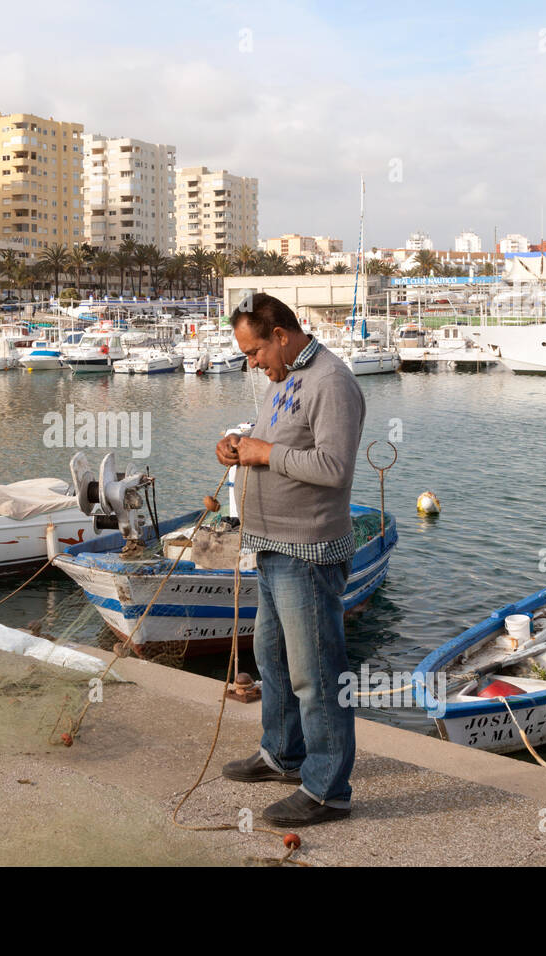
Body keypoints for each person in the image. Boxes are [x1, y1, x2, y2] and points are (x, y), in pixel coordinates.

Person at [215, 293, 365, 827]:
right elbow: (272, 442)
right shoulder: (285, 379)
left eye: (255, 351)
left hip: (309, 550)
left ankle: (328, 790)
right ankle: (283, 754)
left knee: (316, 673)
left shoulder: (330, 381)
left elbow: (333, 467)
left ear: (280, 334)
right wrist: (238, 445)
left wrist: (262, 453)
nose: (252, 363)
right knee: (273, 659)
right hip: (273, 546)